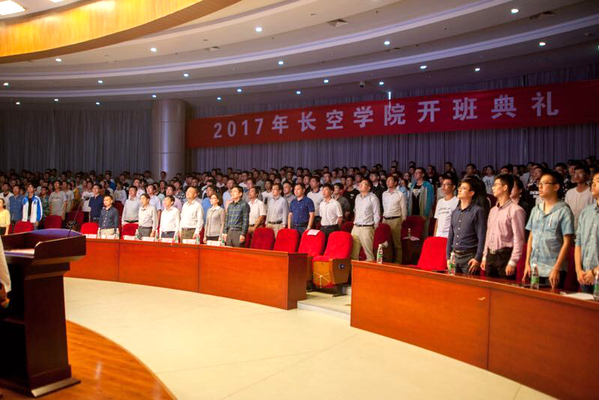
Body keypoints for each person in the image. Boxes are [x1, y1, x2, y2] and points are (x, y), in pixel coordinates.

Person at [524, 171, 574, 289]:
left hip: (553, 269)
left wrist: (557, 268)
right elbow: (531, 237)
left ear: (556, 187)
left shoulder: (564, 211)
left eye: (545, 183)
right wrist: (527, 264)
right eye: (539, 183)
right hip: (535, 268)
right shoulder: (536, 209)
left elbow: (567, 242)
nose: (540, 186)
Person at [481, 174, 526, 279]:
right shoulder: (493, 210)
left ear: (505, 187)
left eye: (496, 185)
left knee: (504, 287)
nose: (493, 188)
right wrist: (484, 256)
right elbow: (488, 235)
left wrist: (513, 261)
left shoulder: (516, 210)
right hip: (490, 255)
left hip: (505, 256)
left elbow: (519, 238)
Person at [446, 177, 487, 275]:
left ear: (471, 193)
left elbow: (482, 237)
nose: (459, 190)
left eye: (464, 188)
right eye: (459, 188)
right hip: (454, 256)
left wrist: (478, 258)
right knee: (452, 282)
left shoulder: (477, 211)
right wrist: (447, 257)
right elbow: (451, 236)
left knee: (469, 283)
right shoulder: (455, 212)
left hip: (469, 256)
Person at [574, 170, 599, 293]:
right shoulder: (586, 212)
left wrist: (595, 272)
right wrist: (578, 270)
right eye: (592, 181)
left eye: (598, 181)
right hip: (585, 275)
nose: (593, 184)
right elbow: (578, 242)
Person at [351, 179, 381, 262]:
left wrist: (374, 227)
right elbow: (355, 211)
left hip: (367, 227)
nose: (360, 185)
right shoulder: (357, 197)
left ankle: (370, 269)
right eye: (360, 183)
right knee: (353, 254)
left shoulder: (373, 198)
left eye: (363, 184)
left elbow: (377, 214)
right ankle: (354, 269)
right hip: (356, 227)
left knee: (369, 254)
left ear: (368, 187)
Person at [382, 176, 407, 263]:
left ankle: (398, 261)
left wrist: (401, 220)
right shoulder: (384, 194)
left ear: (395, 183)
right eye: (387, 180)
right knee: (384, 242)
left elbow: (403, 209)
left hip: (395, 219)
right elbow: (384, 207)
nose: (387, 182)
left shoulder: (400, 194)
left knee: (397, 243)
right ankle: (387, 260)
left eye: (390, 180)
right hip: (385, 219)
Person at [407, 168, 435, 238]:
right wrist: (408, 212)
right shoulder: (412, 185)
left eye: (418, 173)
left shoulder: (427, 185)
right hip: (413, 212)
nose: (415, 174)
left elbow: (430, 200)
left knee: (423, 233)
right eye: (415, 173)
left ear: (422, 175)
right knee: (413, 234)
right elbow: (409, 199)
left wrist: (426, 213)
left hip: (423, 213)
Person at [565, 164, 594, 229]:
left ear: (587, 175)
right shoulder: (569, 192)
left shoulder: (592, 192)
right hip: (571, 226)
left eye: (580, 173)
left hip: (587, 225)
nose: (577, 176)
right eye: (575, 173)